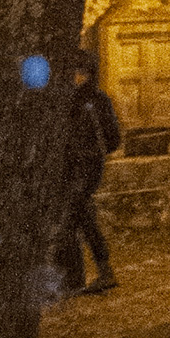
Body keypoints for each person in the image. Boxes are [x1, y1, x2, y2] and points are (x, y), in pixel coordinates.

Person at [56, 47, 123, 297]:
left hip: (86, 167)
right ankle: (84, 275)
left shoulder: (95, 101)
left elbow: (112, 138)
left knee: (76, 217)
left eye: (81, 72)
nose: (77, 77)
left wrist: (89, 151)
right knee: (79, 219)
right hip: (73, 168)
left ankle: (92, 274)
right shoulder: (69, 101)